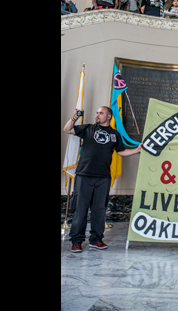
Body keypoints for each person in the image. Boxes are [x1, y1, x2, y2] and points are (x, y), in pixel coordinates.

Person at [64, 106, 142, 252]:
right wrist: (74, 117)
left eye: (101, 113)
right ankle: (76, 241)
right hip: (84, 176)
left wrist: (137, 150)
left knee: (99, 209)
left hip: (103, 177)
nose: (97, 115)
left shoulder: (114, 134)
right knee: (81, 209)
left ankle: (96, 239)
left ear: (109, 116)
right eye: (97, 113)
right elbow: (67, 129)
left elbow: (122, 151)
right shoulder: (87, 129)